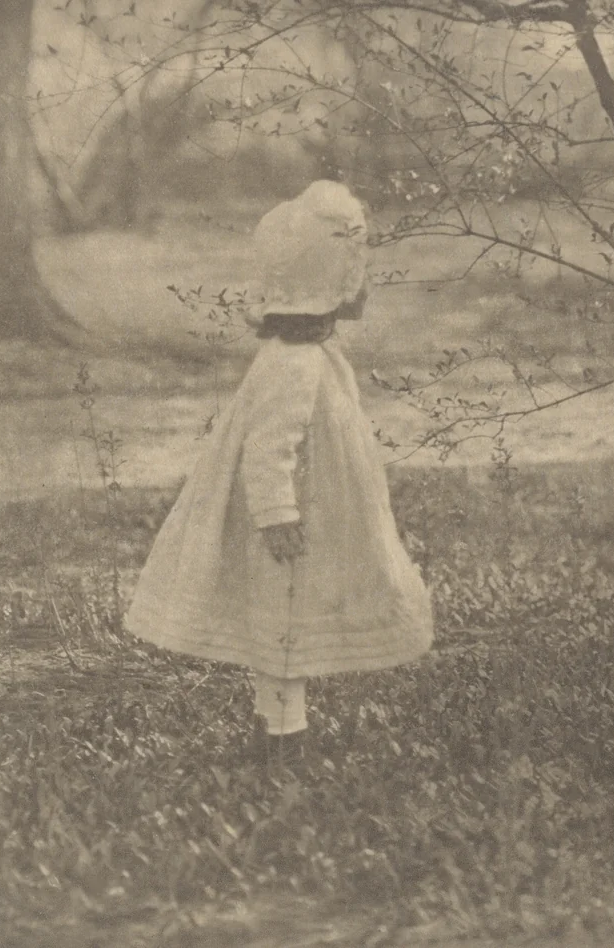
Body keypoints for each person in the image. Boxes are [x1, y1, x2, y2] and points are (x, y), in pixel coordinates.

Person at [124, 180, 434, 769]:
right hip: (294, 515)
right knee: (285, 611)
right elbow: (267, 447)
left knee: (290, 609)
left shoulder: (312, 357)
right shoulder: (293, 366)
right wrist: (275, 513)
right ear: (329, 286)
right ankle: (284, 736)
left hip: (315, 500)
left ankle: (279, 725)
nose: (363, 285)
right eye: (355, 273)